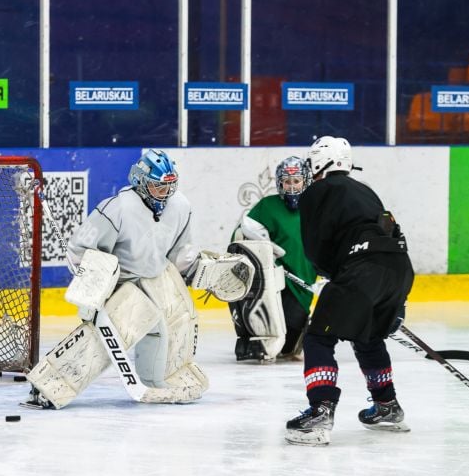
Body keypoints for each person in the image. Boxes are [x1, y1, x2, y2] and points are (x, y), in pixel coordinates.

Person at [23, 149, 253, 410]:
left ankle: (163, 378)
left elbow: (180, 254)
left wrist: (201, 270)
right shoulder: (116, 209)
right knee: (110, 336)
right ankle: (49, 384)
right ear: (141, 183)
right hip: (122, 280)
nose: (165, 194)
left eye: (169, 187)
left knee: (179, 321)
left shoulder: (181, 206)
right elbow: (79, 251)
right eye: (158, 187)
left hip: (158, 274)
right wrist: (95, 284)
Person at [284, 136, 414, 446]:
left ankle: (320, 410)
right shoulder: (365, 190)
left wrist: (337, 276)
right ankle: (386, 405)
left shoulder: (318, 191)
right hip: (400, 269)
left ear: (319, 162)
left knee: (318, 337)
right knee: (367, 335)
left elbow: (316, 251)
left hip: (362, 270)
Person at [228, 156, 318, 362]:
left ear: (306, 181)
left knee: (286, 347)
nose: (292, 187)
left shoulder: (316, 207)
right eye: (287, 182)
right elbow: (241, 236)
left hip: (302, 285)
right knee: (264, 332)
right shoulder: (268, 206)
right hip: (273, 282)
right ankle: (247, 337)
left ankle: (303, 328)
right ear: (280, 183)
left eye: (297, 181)